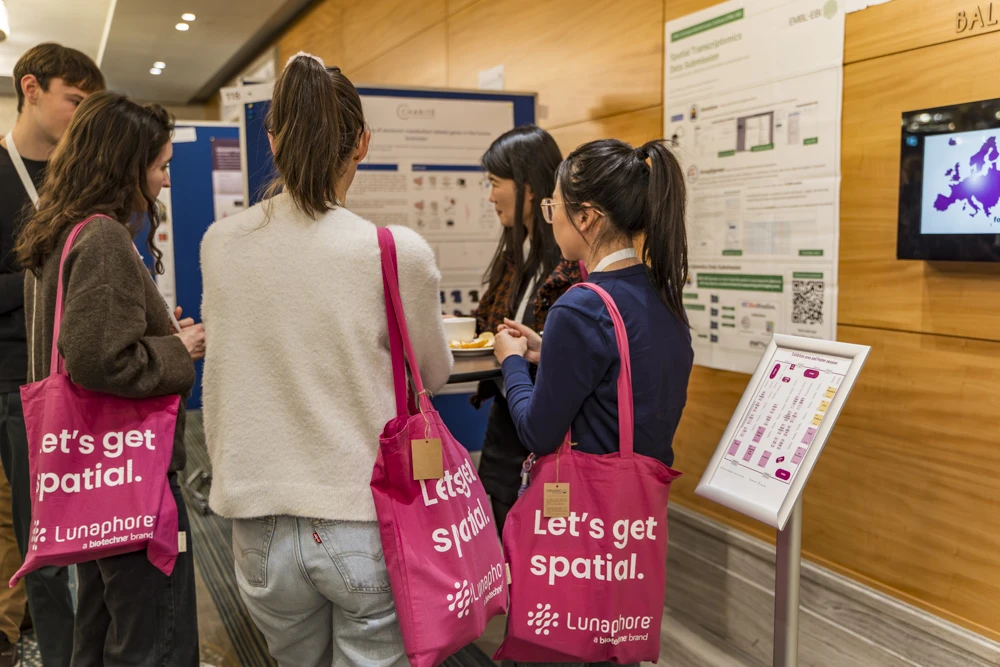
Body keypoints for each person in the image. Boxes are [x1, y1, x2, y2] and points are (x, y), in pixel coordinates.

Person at [200, 53, 452, 667]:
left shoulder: (220, 244)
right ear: (363, 142)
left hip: (256, 520)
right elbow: (432, 375)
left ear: (272, 138)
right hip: (361, 515)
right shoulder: (395, 251)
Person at [14, 91, 204, 666]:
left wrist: (158, 333)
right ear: (127, 164)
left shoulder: (59, 231)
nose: (165, 180)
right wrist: (178, 349)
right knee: (153, 637)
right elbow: (100, 359)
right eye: (160, 165)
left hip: (93, 474)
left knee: (100, 632)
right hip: (131, 475)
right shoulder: (100, 237)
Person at [493, 139, 693, 667]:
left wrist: (512, 362)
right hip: (631, 522)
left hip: (580, 525)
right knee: (609, 643)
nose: (551, 217)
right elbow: (624, 377)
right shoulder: (663, 297)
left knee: (562, 642)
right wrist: (548, 351)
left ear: (586, 217)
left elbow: (537, 432)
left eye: (554, 206)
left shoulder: (579, 308)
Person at [0, 42, 104, 667]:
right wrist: (48, 281)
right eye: (74, 99)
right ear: (31, 89)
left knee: (95, 526)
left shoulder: (79, 179)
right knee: (39, 535)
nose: (81, 113)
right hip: (19, 379)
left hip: (86, 371)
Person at [473, 125, 581, 531]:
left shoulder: (569, 270)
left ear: (528, 188)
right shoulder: (520, 256)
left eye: (494, 183)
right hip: (505, 433)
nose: (490, 196)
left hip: (545, 442)